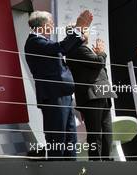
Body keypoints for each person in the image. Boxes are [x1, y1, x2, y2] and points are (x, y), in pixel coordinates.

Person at [24, 10, 93, 160]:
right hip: (53, 95)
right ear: (42, 25)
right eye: (51, 23)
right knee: (57, 138)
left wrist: (80, 34)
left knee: (70, 140)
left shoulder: (45, 42)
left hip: (63, 95)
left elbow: (65, 48)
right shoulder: (34, 42)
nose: (53, 26)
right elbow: (61, 48)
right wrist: (77, 28)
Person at [66, 27, 117, 161]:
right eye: (86, 31)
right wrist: (102, 53)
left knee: (107, 131)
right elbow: (98, 62)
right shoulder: (77, 49)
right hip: (92, 95)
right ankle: (97, 162)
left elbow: (100, 69)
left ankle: (106, 160)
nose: (89, 33)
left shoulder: (83, 49)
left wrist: (98, 55)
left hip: (101, 93)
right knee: (95, 133)